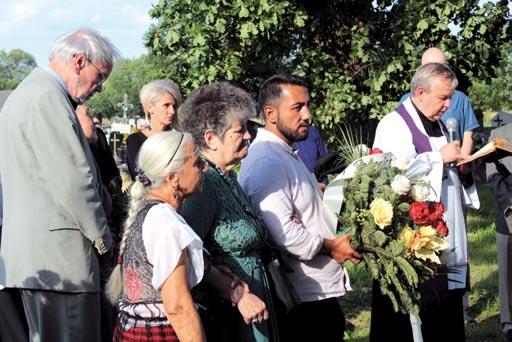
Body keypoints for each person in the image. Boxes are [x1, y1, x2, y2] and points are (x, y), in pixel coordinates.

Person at [0, 27, 120, 341]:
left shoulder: (28, 93)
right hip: (62, 263)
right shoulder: (47, 97)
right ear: (79, 61)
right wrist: (104, 241)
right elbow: (75, 184)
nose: (100, 88)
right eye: (100, 76)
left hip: (43, 261)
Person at [106, 131, 268, 341]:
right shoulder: (165, 222)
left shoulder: (153, 213)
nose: (205, 168)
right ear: (172, 177)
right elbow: (178, 307)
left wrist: (233, 290)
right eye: (197, 163)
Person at [239, 73, 360, 342]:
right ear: (270, 113)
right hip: (302, 299)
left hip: (316, 292)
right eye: (297, 107)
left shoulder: (282, 153)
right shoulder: (267, 161)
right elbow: (283, 233)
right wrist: (331, 246)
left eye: (307, 105)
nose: (307, 114)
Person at [372, 63, 467, 341]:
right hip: (411, 241)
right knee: (414, 319)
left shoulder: (438, 123)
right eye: (444, 98)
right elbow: (392, 178)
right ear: (421, 92)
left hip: (444, 233)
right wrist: (440, 158)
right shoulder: (393, 124)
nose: (449, 105)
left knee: (445, 313)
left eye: (450, 98)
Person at [179, 82, 280, 341]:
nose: (248, 135)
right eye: (240, 130)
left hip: (253, 305)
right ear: (211, 138)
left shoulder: (227, 177)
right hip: (230, 313)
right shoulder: (205, 185)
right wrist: (234, 293)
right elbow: (190, 254)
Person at [401, 47, 479, 158]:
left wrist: (463, 159)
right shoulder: (406, 104)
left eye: (444, 66)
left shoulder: (460, 98)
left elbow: (468, 132)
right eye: (434, 68)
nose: (447, 105)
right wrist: (440, 158)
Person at [486, 124, 512, 342]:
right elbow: (493, 177)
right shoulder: (498, 135)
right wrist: (510, 205)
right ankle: (509, 323)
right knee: (508, 271)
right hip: (509, 215)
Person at [126, 79, 182, 181]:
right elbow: (141, 179)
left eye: (174, 106)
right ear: (150, 108)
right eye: (166, 105)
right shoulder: (135, 141)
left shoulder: (179, 138)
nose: (172, 111)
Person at [294, 124, 329, 189]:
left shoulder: (312, 131)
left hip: (320, 189)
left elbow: (323, 158)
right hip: (299, 191)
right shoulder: (282, 138)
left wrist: (324, 184)